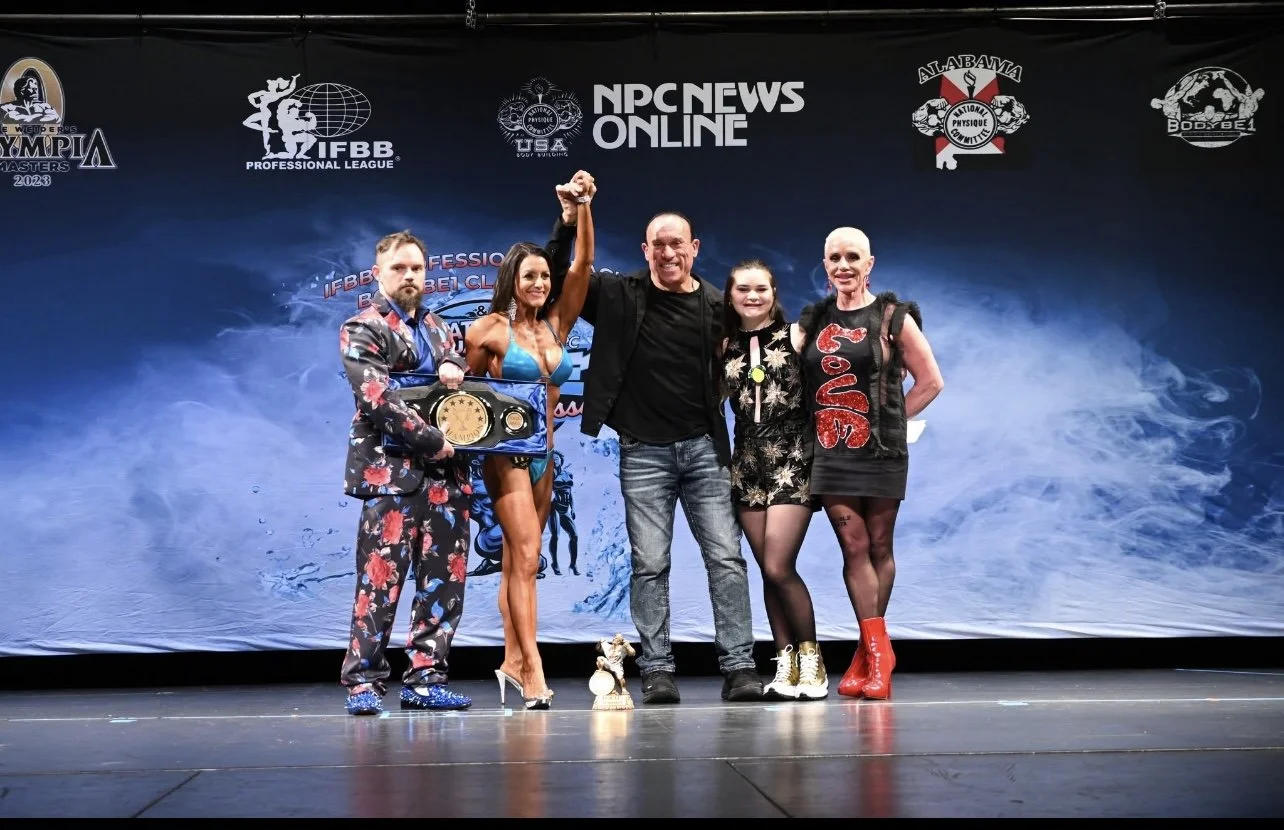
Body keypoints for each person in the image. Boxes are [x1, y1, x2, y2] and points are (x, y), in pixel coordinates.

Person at [544, 185, 763, 705]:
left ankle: (739, 666)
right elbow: (557, 279)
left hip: (706, 451)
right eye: (657, 244)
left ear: (695, 248)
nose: (668, 253)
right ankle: (658, 669)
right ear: (645, 251)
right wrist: (568, 221)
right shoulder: (619, 294)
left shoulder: (718, 305)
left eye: (677, 244)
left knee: (726, 559)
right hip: (643, 451)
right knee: (650, 564)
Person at [792, 227, 944, 700]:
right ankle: (877, 653)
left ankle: (870, 655)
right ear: (825, 263)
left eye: (852, 257)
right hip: (832, 452)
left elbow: (930, 381)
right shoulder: (813, 321)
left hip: (879, 453)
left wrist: (890, 421)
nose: (843, 266)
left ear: (870, 263)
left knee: (880, 547)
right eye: (834, 257)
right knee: (853, 548)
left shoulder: (894, 317)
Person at [464, 172, 596, 710]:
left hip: (544, 453)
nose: (540, 284)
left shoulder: (557, 327)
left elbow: (583, 265)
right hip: (505, 457)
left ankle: (511, 661)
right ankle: (534, 668)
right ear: (512, 280)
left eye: (545, 276)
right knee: (525, 553)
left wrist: (584, 206)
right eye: (531, 277)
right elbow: (465, 402)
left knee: (523, 564)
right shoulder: (488, 331)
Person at [337, 230, 476, 716]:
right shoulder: (362, 328)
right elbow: (377, 398)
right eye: (399, 268)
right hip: (391, 475)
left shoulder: (441, 329)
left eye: (417, 268)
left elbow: (460, 383)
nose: (410, 275)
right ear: (379, 273)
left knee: (444, 580)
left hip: (446, 477)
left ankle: (425, 678)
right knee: (380, 580)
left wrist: (456, 363)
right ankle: (363, 682)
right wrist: (434, 442)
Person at [717, 259, 827, 701]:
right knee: (768, 571)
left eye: (760, 288)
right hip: (747, 462)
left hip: (793, 456)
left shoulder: (798, 334)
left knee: (781, 566)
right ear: (730, 296)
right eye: (742, 289)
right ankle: (785, 666)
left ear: (774, 292)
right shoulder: (723, 344)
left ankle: (813, 663)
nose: (752, 296)